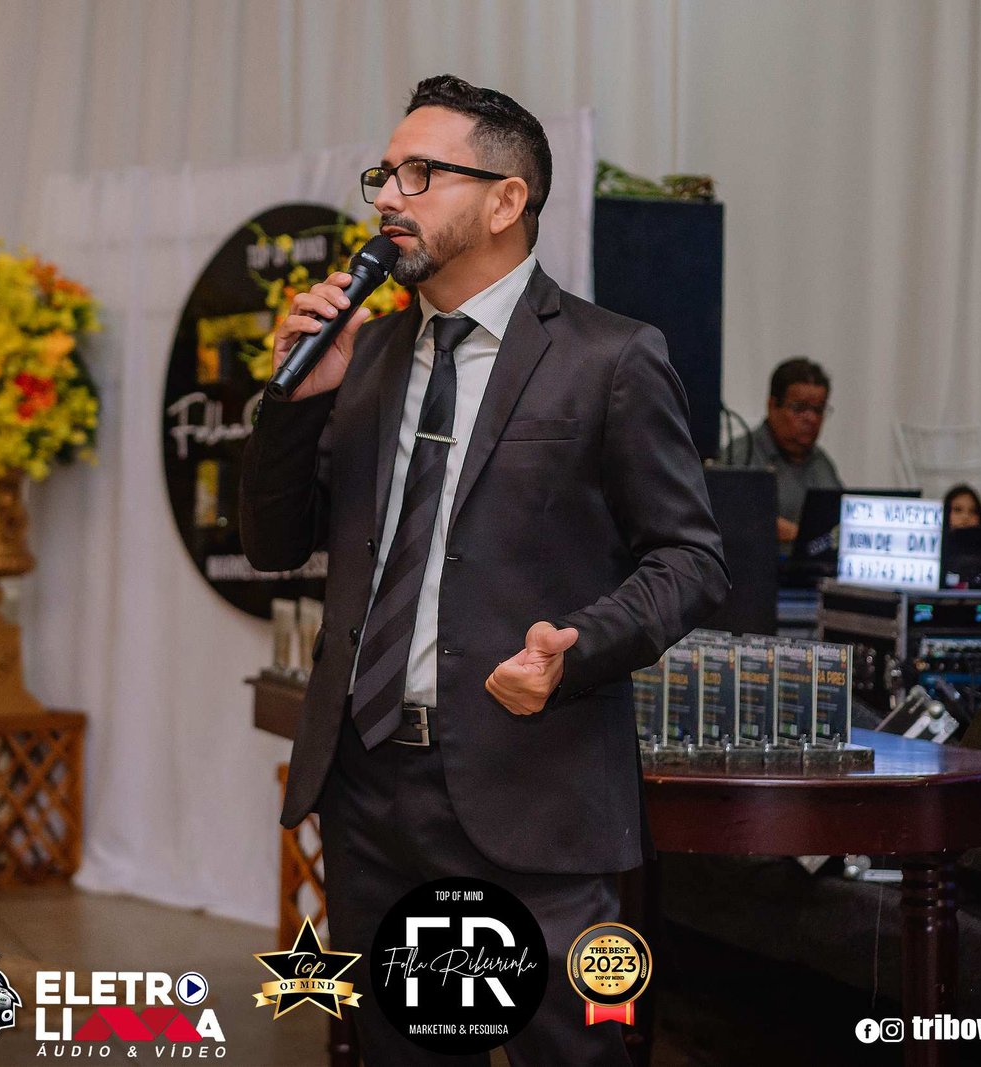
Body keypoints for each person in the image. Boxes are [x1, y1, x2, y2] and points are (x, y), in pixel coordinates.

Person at [240, 75, 728, 1065]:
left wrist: (579, 646)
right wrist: (294, 402)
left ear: (506, 200)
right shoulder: (366, 354)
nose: (388, 197)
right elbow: (272, 545)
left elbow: (691, 558)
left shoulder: (609, 357)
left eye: (420, 174)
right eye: (385, 175)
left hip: (532, 781)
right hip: (370, 782)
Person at [724, 356, 842, 543]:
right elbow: (734, 520)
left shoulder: (822, 464)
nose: (811, 419)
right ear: (772, 406)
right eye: (799, 408)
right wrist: (800, 536)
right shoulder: (741, 457)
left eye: (818, 410)